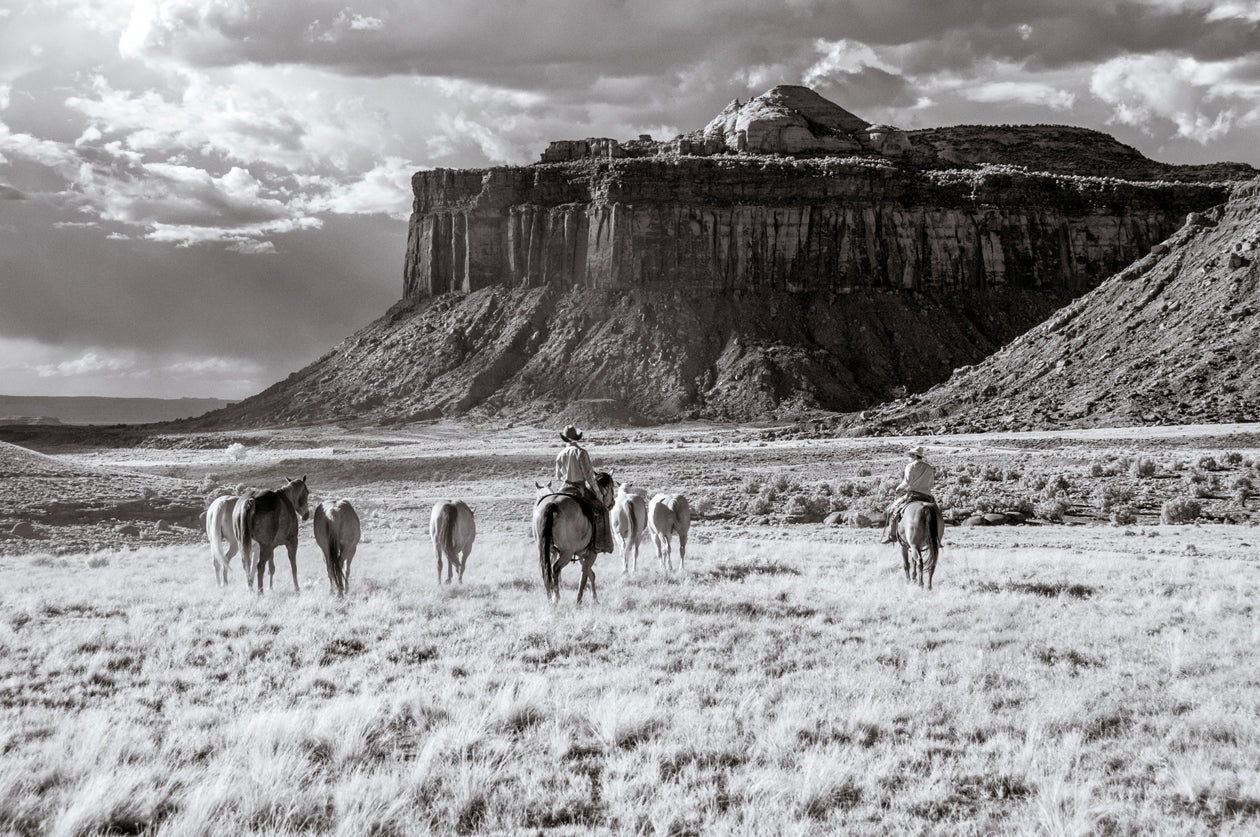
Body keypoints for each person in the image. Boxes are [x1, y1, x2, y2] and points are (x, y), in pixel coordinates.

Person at [554, 425, 614, 554]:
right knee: (602, 510)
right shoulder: (581, 452)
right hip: (579, 488)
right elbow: (589, 476)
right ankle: (600, 545)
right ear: (577, 438)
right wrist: (597, 492)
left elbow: (558, 476)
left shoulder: (560, 454)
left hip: (563, 487)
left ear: (565, 439)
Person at [880, 445, 936, 544]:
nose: (909, 457)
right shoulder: (929, 467)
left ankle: (892, 535)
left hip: (913, 495)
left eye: (910, 455)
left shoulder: (910, 466)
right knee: (936, 512)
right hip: (927, 495)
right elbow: (931, 484)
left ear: (915, 456)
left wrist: (898, 488)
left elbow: (907, 481)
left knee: (893, 510)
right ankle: (937, 538)